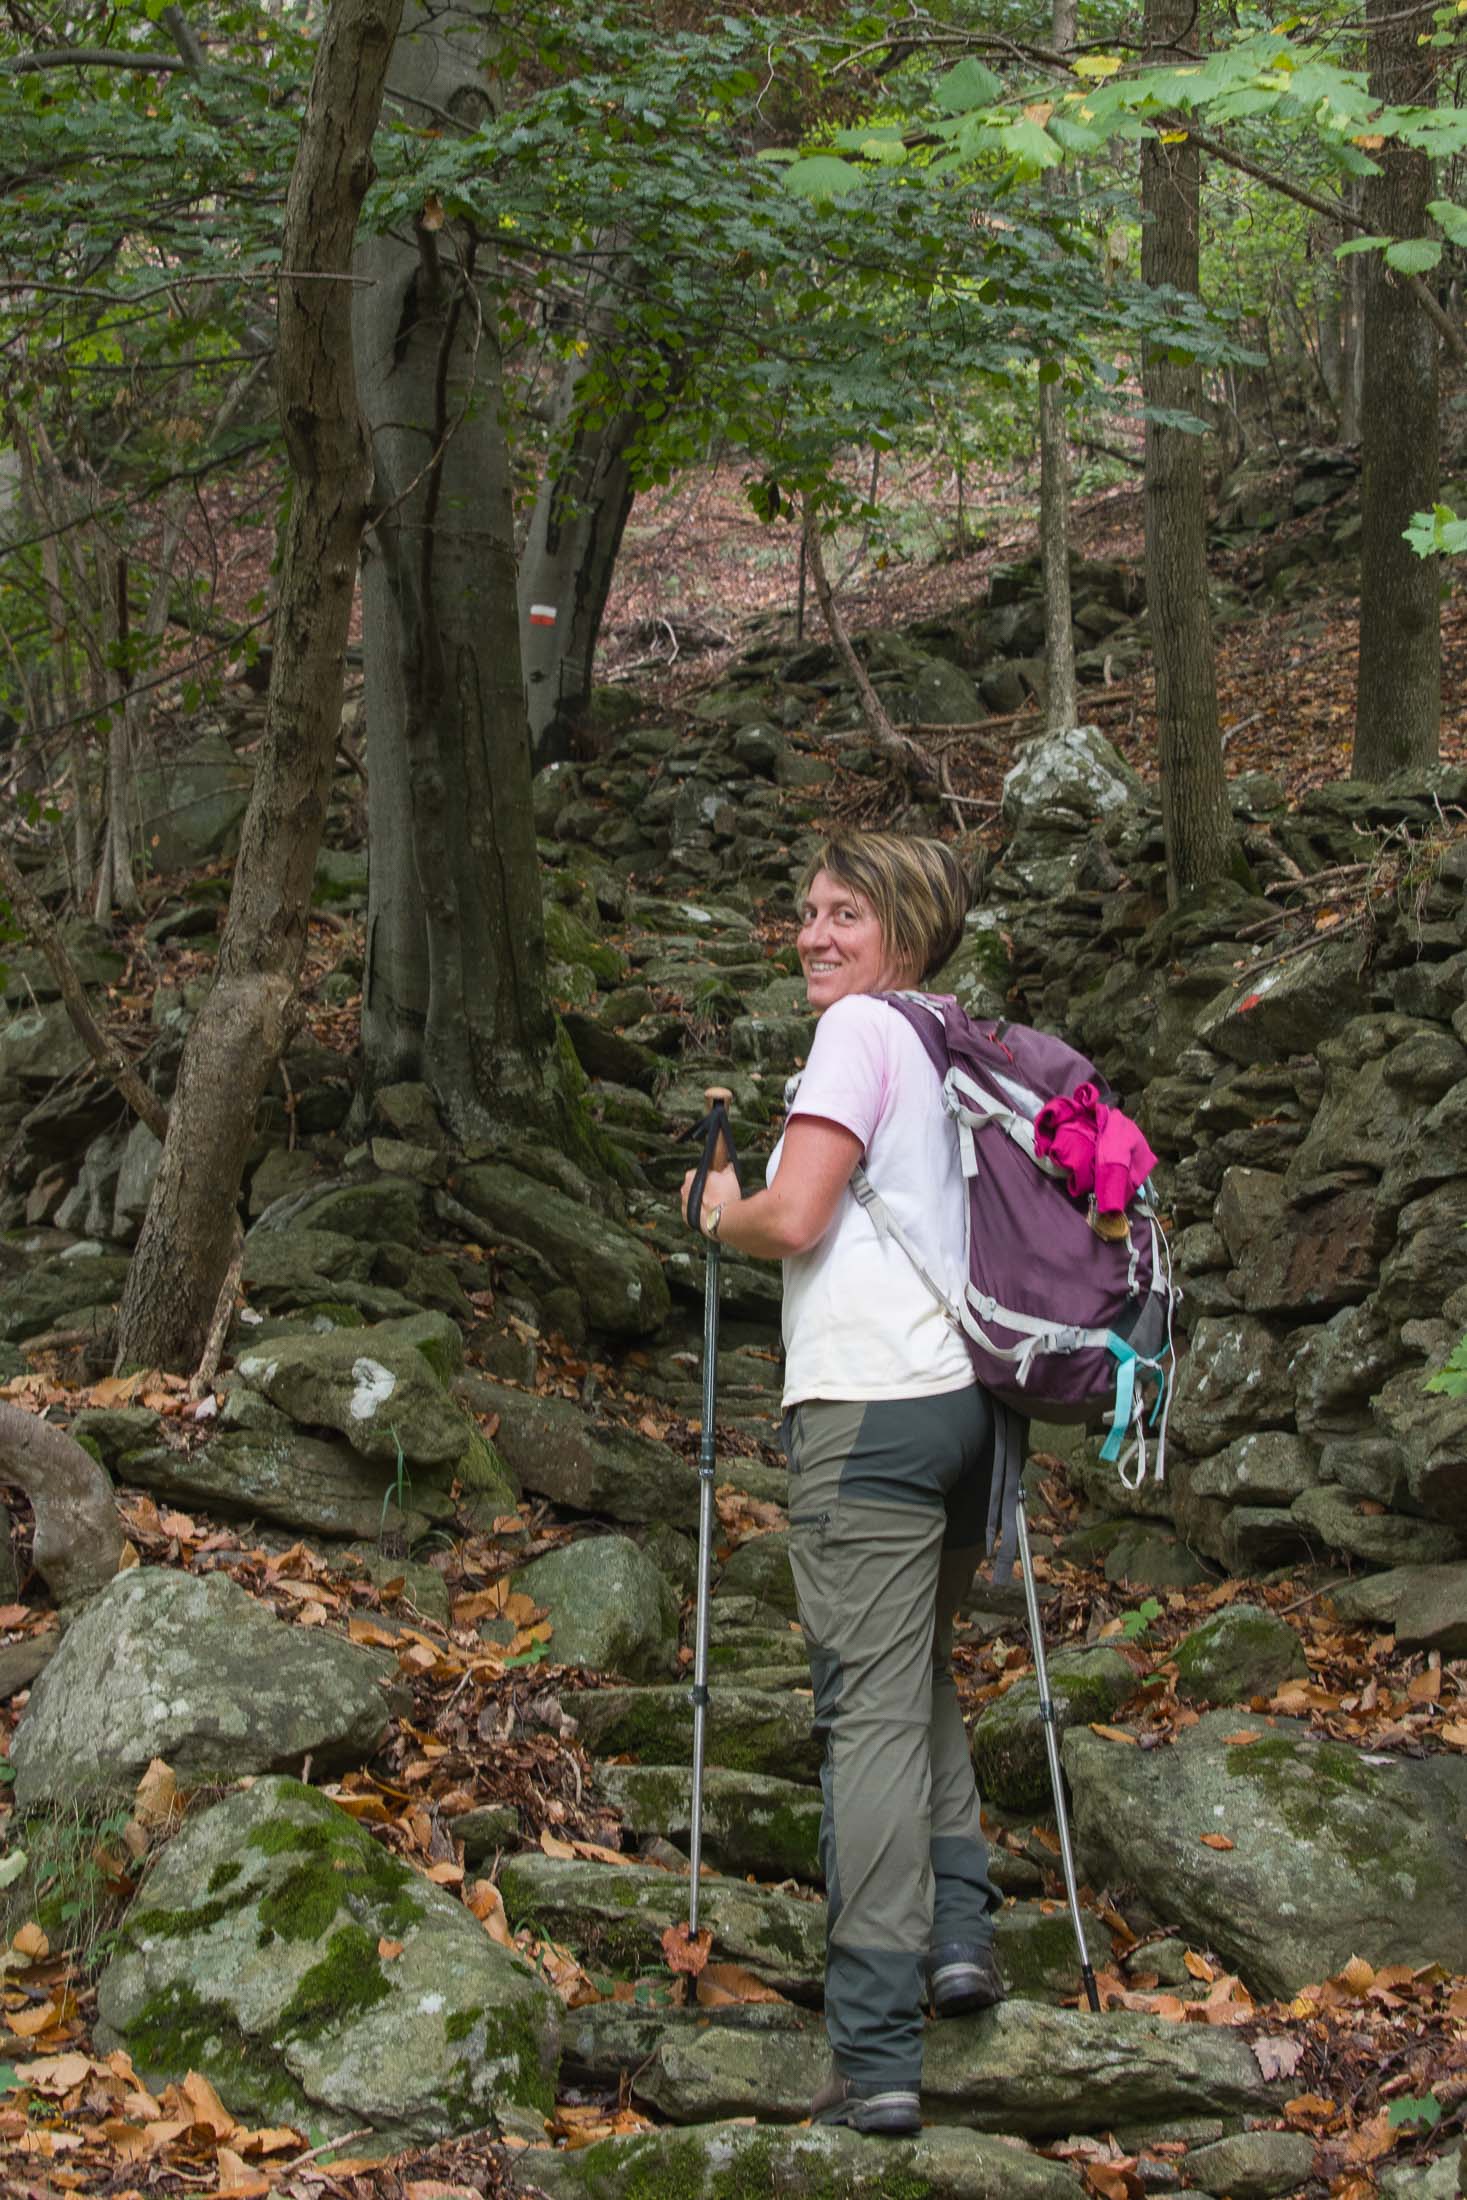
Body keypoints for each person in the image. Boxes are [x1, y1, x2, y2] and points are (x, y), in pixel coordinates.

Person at [680, 829, 1003, 2138]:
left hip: (871, 1408)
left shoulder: (861, 1032)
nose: (814, 934)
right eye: (809, 910)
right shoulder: (953, 1041)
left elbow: (798, 1215)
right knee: (914, 1674)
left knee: (864, 1712)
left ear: (906, 931)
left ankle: (874, 2050)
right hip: (972, 1413)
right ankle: (961, 1939)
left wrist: (717, 1210)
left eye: (846, 913)